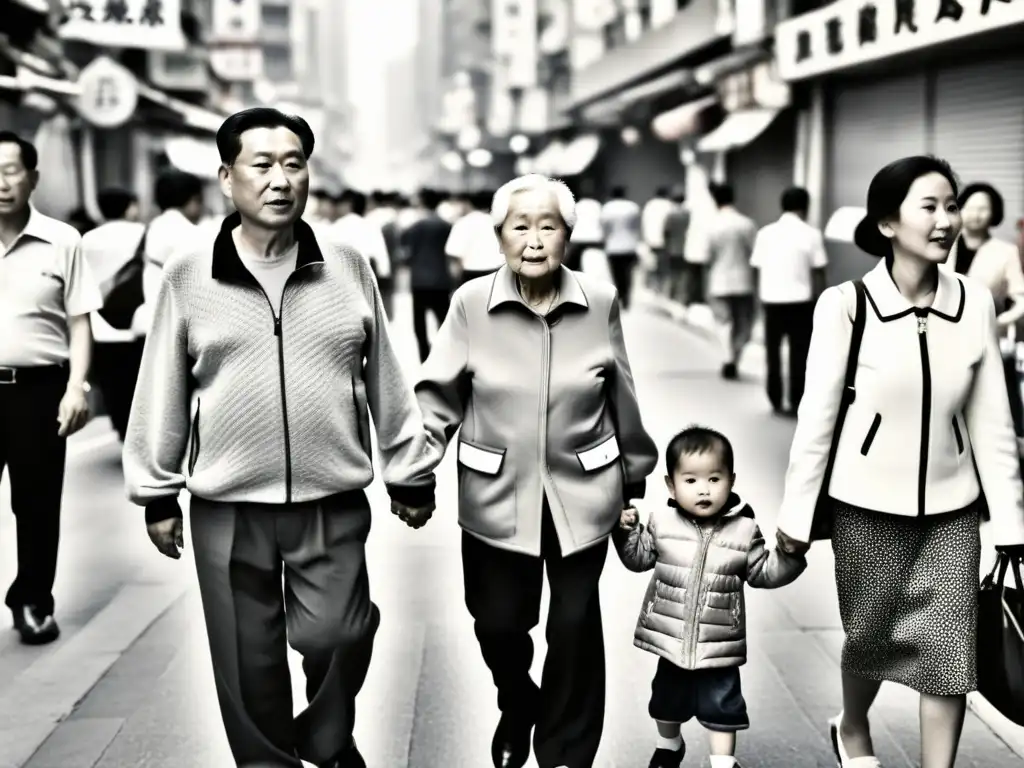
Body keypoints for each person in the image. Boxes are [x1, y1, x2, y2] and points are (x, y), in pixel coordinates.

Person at [122, 107, 437, 768]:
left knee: (338, 634)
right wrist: (156, 492)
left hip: (330, 498)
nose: (280, 179)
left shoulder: (346, 264)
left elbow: (383, 369)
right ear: (226, 177)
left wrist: (409, 468)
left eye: (294, 163)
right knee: (248, 661)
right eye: (261, 165)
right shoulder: (188, 274)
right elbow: (161, 387)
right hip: (227, 505)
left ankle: (324, 737)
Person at [776, 156, 1024, 768]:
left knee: (948, 651)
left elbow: (993, 422)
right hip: (864, 501)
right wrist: (796, 518)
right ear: (887, 222)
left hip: (952, 509)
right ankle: (852, 724)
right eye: (930, 207)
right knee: (872, 639)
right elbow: (817, 420)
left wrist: (1013, 527)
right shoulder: (845, 305)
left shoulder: (973, 303)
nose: (947, 220)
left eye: (952, 205)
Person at [413, 173, 659, 768]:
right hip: (496, 494)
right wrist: (414, 470)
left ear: (568, 236)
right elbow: (436, 396)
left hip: (584, 492)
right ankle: (518, 698)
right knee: (498, 623)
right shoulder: (471, 303)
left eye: (548, 226)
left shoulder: (598, 301)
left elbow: (619, 388)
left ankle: (564, 752)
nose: (533, 239)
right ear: (497, 235)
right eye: (519, 226)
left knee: (573, 626)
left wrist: (635, 473)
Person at [616, 426, 806, 768]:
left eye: (714, 479)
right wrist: (627, 531)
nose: (703, 489)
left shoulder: (745, 530)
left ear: (731, 480)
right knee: (665, 702)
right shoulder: (662, 523)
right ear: (671, 485)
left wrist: (790, 556)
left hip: (720, 642)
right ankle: (668, 745)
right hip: (671, 642)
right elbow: (638, 559)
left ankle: (723, 762)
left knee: (725, 707)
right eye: (691, 480)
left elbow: (762, 571)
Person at [0, 130, 100, 644]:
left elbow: (80, 321)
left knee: (36, 504)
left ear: (32, 178)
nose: (1, 182)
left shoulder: (64, 240)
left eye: (11, 170)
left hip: (38, 391)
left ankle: (34, 601)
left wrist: (76, 387)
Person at [941, 182, 1024, 436]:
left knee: (992, 408)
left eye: (983, 208)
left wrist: (1000, 321)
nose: (975, 214)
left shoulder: (1005, 251)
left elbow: (1021, 297)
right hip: (941, 336)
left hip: (984, 339)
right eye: (969, 207)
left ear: (994, 214)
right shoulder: (942, 242)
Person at [749, 186, 828, 415]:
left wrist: (758, 297)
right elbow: (819, 272)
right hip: (801, 303)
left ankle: (774, 397)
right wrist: (822, 302)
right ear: (805, 207)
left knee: (772, 352)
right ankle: (796, 399)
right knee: (800, 353)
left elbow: (756, 268)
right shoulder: (811, 234)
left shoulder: (765, 233)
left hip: (771, 301)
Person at [81, 187, 146, 442]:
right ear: (130, 206)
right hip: (137, 321)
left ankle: (122, 430)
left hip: (99, 324)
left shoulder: (87, 239)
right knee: (140, 382)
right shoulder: (143, 233)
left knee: (112, 383)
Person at [705, 184, 757, 381]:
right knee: (743, 323)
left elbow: (706, 256)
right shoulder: (747, 224)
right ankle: (735, 358)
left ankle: (727, 357)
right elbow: (755, 253)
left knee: (723, 322)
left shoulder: (712, 225)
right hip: (744, 280)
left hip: (718, 280)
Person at [401, 187, 455, 361]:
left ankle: (424, 355)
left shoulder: (414, 227)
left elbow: (406, 255)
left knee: (420, 322)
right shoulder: (447, 226)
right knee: (444, 320)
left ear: (422, 203)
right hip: (441, 279)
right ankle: (445, 353)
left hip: (419, 280)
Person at [445, 188, 503, 285]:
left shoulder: (462, 222)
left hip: (470, 274)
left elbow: (454, 254)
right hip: (497, 273)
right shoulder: (501, 223)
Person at [600, 185, 642, 308]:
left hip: (613, 247)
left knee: (616, 274)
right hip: (630, 246)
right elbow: (636, 226)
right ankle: (626, 297)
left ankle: (620, 295)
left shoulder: (607, 208)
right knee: (628, 273)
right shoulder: (633, 207)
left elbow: (604, 228)